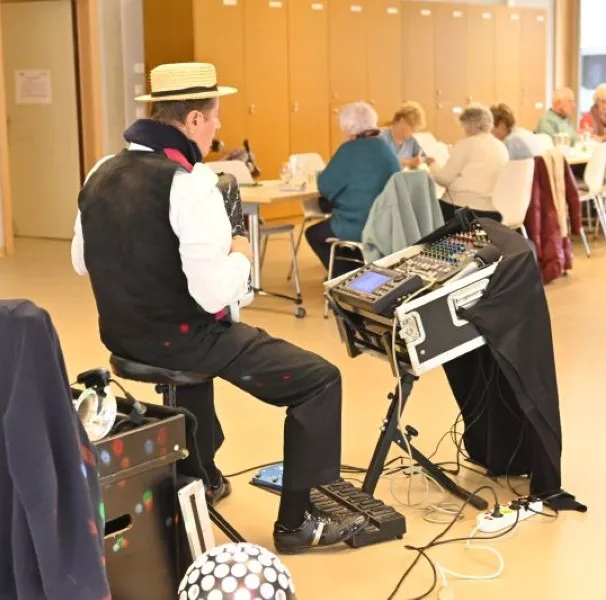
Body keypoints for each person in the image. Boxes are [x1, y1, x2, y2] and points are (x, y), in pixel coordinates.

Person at [72, 63, 366, 554]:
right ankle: (298, 523)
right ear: (192, 121)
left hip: (122, 337)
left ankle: (202, 476)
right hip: (182, 340)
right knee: (319, 379)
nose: (218, 127)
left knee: (195, 366)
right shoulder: (190, 184)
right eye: (214, 117)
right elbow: (213, 296)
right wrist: (242, 255)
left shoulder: (101, 170)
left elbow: (81, 261)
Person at [305, 102, 400, 276]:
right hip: (387, 224)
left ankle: (345, 277)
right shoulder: (386, 147)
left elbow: (325, 185)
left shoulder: (349, 149)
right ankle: (358, 271)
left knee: (313, 233)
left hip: (358, 224)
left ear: (348, 128)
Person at [431, 105, 509, 221]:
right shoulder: (501, 146)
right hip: (492, 214)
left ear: (469, 125)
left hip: (462, 210)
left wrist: (432, 165)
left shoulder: (466, 144)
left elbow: (444, 179)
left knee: (426, 209)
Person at [379, 101, 432, 169]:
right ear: (402, 122)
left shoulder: (411, 141)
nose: (413, 134)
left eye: (415, 131)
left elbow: (423, 157)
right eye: (412, 129)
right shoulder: (380, 137)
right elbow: (379, 162)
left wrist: (426, 160)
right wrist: (408, 162)